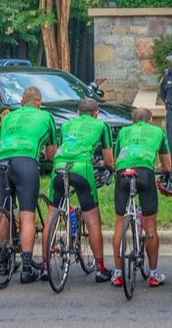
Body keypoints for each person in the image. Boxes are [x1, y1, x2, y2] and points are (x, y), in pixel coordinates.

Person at [43, 98, 114, 283]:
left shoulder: (66, 126)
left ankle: (45, 266)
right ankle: (100, 268)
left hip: (59, 166)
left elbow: (58, 148)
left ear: (78, 113)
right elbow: (109, 160)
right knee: (92, 219)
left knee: (52, 214)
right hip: (82, 167)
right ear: (96, 113)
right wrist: (104, 166)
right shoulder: (101, 125)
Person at [0, 86, 57, 284]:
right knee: (27, 215)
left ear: (22, 102)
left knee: (6, 210)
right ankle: (27, 269)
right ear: (39, 104)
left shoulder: (8, 117)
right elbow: (53, 153)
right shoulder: (46, 117)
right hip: (25, 161)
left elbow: (5, 140)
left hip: (1, 161)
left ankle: (4, 261)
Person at [110, 108, 172, 288]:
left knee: (120, 222)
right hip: (145, 173)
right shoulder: (158, 131)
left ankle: (118, 274)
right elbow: (167, 166)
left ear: (132, 121)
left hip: (124, 172)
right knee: (150, 223)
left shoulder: (123, 132)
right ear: (151, 120)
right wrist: (160, 169)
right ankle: (153, 274)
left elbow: (115, 159)